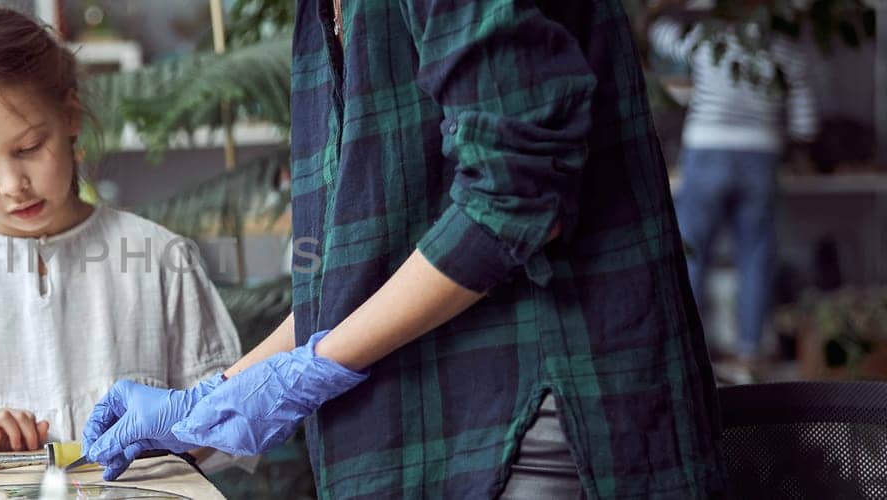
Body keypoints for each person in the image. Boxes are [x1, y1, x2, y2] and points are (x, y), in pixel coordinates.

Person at [83, 1, 724, 498]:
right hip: (435, 423)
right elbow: (370, 263)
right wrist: (212, 402)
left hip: (542, 418)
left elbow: (517, 193)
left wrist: (304, 373)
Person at [0, 5, 242, 464]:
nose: (13, 185)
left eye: (29, 148)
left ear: (70, 116)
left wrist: (176, 433)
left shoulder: (159, 259)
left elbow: (232, 418)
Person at [651, 15, 816, 381]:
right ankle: (749, 351)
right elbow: (806, 123)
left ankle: (688, 348)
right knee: (756, 255)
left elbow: (661, 36)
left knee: (693, 251)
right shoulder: (784, 47)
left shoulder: (709, 38)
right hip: (762, 154)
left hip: (708, 149)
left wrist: (667, 11)